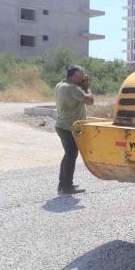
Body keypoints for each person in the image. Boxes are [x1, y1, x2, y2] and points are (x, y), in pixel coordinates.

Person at [54, 65, 94, 195]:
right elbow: (90, 100)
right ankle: (67, 187)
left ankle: (63, 184)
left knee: (68, 155)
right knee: (71, 155)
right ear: (75, 76)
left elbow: (76, 99)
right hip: (69, 127)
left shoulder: (61, 85)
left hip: (62, 125)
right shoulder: (72, 88)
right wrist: (88, 88)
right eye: (81, 75)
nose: (84, 77)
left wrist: (82, 87)